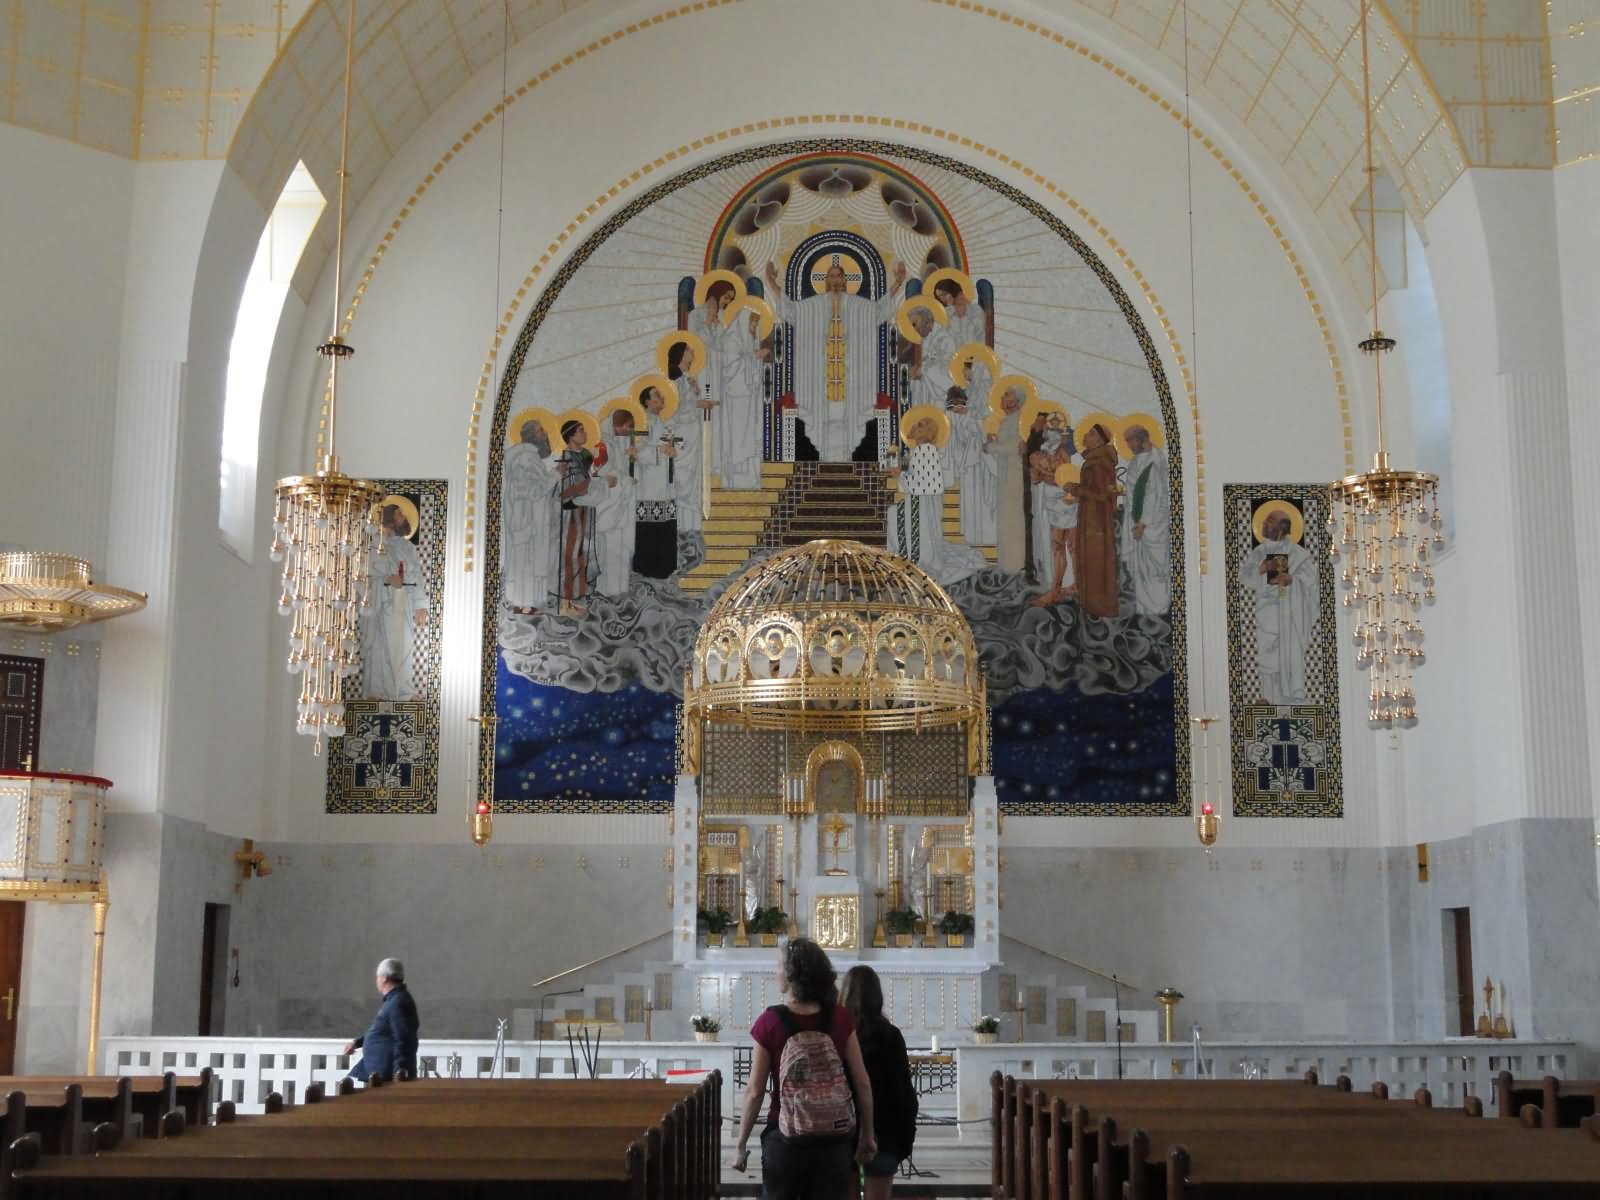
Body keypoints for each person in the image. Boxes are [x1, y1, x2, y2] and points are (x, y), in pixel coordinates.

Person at [732, 937, 876, 1198]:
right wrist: (868, 1135)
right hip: (834, 1137)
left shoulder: (770, 1022)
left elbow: (755, 1091)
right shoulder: (841, 1018)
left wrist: (741, 1143)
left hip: (785, 1136)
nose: (775, 971)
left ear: (790, 975)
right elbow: (863, 1082)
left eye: (779, 966)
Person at [766, 257, 907, 462]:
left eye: (838, 276)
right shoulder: (813, 306)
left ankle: (847, 460)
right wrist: (771, 284)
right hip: (819, 386)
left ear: (844, 280)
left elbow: (878, 310)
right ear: (825, 280)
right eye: (830, 276)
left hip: (851, 385)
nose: (834, 280)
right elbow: (791, 311)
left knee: (848, 426)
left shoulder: (858, 306)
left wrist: (898, 283)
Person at [839, 966, 917, 1197]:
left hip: (842, 1131)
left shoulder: (838, 1034)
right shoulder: (891, 1035)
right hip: (884, 1133)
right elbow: (903, 1092)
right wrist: (904, 1139)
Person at [885, 415, 986, 586]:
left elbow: (926, 485)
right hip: (919, 500)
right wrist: (899, 470)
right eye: (916, 426)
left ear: (927, 432)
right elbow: (915, 475)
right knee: (893, 513)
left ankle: (914, 557)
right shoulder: (919, 451)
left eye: (920, 426)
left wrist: (900, 475)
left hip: (923, 502)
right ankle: (907, 555)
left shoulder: (926, 451)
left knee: (893, 515)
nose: (915, 429)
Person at [1242, 506, 1317, 704]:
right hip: (1265, 612)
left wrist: (1292, 579)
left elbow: (1311, 579)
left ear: (1281, 529)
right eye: (1265, 520)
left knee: (1287, 653)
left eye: (1269, 521)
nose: (1264, 524)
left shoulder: (1298, 553)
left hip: (1290, 611)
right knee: (1265, 654)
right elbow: (1244, 579)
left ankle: (1291, 695)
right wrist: (1261, 569)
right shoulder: (1258, 552)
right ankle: (1268, 696)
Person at [361, 500, 429, 700]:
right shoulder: (374, 544)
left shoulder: (407, 547)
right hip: (383, 601)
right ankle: (377, 691)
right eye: (399, 515)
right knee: (382, 646)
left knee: (405, 644)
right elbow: (363, 572)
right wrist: (387, 579)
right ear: (389, 519)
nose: (403, 518)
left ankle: (402, 690)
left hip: (404, 602)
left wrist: (420, 606)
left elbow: (417, 577)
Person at [501, 419, 558, 615]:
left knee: (526, 560)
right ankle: (523, 605)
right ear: (532, 434)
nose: (545, 433)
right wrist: (556, 475)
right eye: (541, 430)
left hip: (525, 517)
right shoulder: (526, 458)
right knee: (525, 561)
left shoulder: (523, 456)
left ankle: (526, 605)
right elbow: (534, 491)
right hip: (526, 518)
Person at [1120, 423, 1171, 615]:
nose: (1128, 445)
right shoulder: (1136, 461)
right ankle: (1144, 608)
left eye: (1131, 441)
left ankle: (1158, 607)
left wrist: (1143, 523)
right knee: (1142, 567)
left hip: (1151, 525)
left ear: (1141, 439)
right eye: (1126, 442)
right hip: (1139, 521)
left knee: (1155, 567)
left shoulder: (1153, 461)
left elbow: (1153, 495)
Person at [343, 957, 419, 1083]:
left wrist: (399, 1072)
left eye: (378, 977)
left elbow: (403, 1039)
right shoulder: (395, 999)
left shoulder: (398, 1002)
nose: (377, 980)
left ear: (384, 978)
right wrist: (357, 1043)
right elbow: (382, 1030)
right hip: (379, 1072)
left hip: (385, 1076)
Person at [632, 383, 681, 578]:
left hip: (665, 483)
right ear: (646, 401)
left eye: (661, 395)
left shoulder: (663, 422)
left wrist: (674, 449)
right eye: (657, 396)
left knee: (666, 523)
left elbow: (675, 444)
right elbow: (637, 451)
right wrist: (662, 451)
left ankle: (665, 567)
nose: (662, 398)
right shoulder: (643, 422)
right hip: (649, 485)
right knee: (651, 527)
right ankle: (649, 568)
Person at [1075, 421, 1121, 618]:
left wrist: (1075, 489)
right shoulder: (1095, 460)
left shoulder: (1099, 463)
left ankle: (1099, 607)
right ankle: (1091, 606)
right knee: (1090, 559)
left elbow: (1102, 494)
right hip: (1092, 516)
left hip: (1097, 520)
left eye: (1091, 434)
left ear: (1100, 440)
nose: (1086, 436)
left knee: (1096, 560)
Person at [667, 340, 709, 535]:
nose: (693, 351)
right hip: (682, 435)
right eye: (689, 350)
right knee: (683, 478)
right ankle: (682, 526)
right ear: (681, 355)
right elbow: (674, 411)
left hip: (691, 434)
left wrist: (699, 399)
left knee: (691, 479)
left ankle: (691, 525)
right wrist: (696, 403)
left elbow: (689, 405)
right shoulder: (675, 381)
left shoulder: (687, 379)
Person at [984, 385, 1028, 573]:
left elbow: (1013, 446)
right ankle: (1006, 562)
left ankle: (1014, 563)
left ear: (1015, 401)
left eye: (1007, 394)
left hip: (1014, 474)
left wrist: (990, 447)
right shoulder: (1007, 420)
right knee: (1005, 517)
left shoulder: (1018, 420)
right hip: (1006, 473)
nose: (1002, 397)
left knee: (1013, 518)